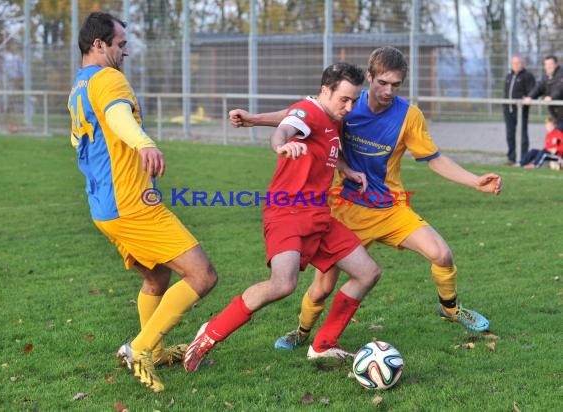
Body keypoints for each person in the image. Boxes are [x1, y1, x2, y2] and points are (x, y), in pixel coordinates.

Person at [228, 47, 503, 353]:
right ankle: (302, 331)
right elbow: (299, 114)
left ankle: (450, 308)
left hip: (390, 208)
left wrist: (474, 181)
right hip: (345, 210)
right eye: (382, 82)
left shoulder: (409, 116)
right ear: (369, 77)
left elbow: (434, 159)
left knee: (442, 254)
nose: (388, 91)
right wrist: (253, 119)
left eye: (395, 85)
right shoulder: (347, 105)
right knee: (321, 288)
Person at [183, 62, 383, 372]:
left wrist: (347, 169)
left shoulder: (330, 117)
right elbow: (288, 126)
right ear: (325, 91)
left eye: (354, 99)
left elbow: (297, 120)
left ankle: (323, 346)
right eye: (344, 98)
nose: (350, 106)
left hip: (318, 215)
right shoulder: (310, 110)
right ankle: (208, 334)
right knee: (282, 284)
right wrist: (281, 144)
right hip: (287, 211)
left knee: (368, 272)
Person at [67, 12, 218, 392]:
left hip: (104, 206)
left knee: (157, 276)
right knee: (202, 275)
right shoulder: (108, 78)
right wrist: (144, 142)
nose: (126, 51)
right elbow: (119, 117)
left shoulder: (79, 86)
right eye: (120, 44)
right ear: (98, 44)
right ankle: (140, 348)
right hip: (132, 204)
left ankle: (158, 348)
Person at [503, 56, 535, 165]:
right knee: (510, 135)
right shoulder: (509, 76)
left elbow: (532, 91)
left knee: (522, 135)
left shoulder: (528, 76)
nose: (516, 65)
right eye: (514, 63)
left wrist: (527, 98)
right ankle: (511, 158)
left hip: (521, 110)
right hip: (508, 110)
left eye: (518, 63)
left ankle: (523, 158)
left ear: (522, 64)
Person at [524, 55, 563, 131]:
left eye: (550, 64)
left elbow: (560, 88)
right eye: (546, 64)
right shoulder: (546, 77)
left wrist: (552, 97)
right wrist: (530, 97)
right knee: (556, 137)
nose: (548, 67)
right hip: (557, 115)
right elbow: (538, 88)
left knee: (557, 136)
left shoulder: (561, 75)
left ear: (556, 64)